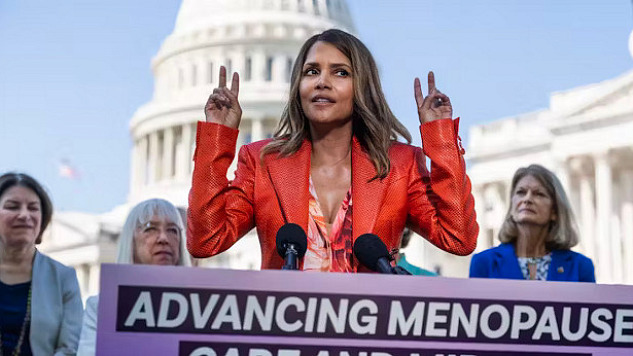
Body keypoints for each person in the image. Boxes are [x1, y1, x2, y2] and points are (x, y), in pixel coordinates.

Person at [188, 29, 478, 272]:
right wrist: (218, 135)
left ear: (363, 87)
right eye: (311, 71)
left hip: (368, 330)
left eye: (340, 72)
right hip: (285, 329)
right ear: (298, 86)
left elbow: (458, 238)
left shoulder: (400, 164)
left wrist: (440, 137)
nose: (321, 82)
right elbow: (205, 241)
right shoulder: (262, 161)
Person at [77, 198, 192, 356]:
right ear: (131, 241)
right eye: (150, 229)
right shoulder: (100, 309)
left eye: (173, 230)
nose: (164, 238)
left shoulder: (202, 307)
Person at [0, 172, 83, 355]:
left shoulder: (64, 278)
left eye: (33, 208)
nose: (24, 215)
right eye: (12, 207)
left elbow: (69, 348)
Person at [469, 164, 595, 282]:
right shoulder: (483, 263)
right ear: (512, 207)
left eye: (539, 194)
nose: (527, 199)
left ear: (554, 212)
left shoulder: (580, 267)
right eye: (521, 192)